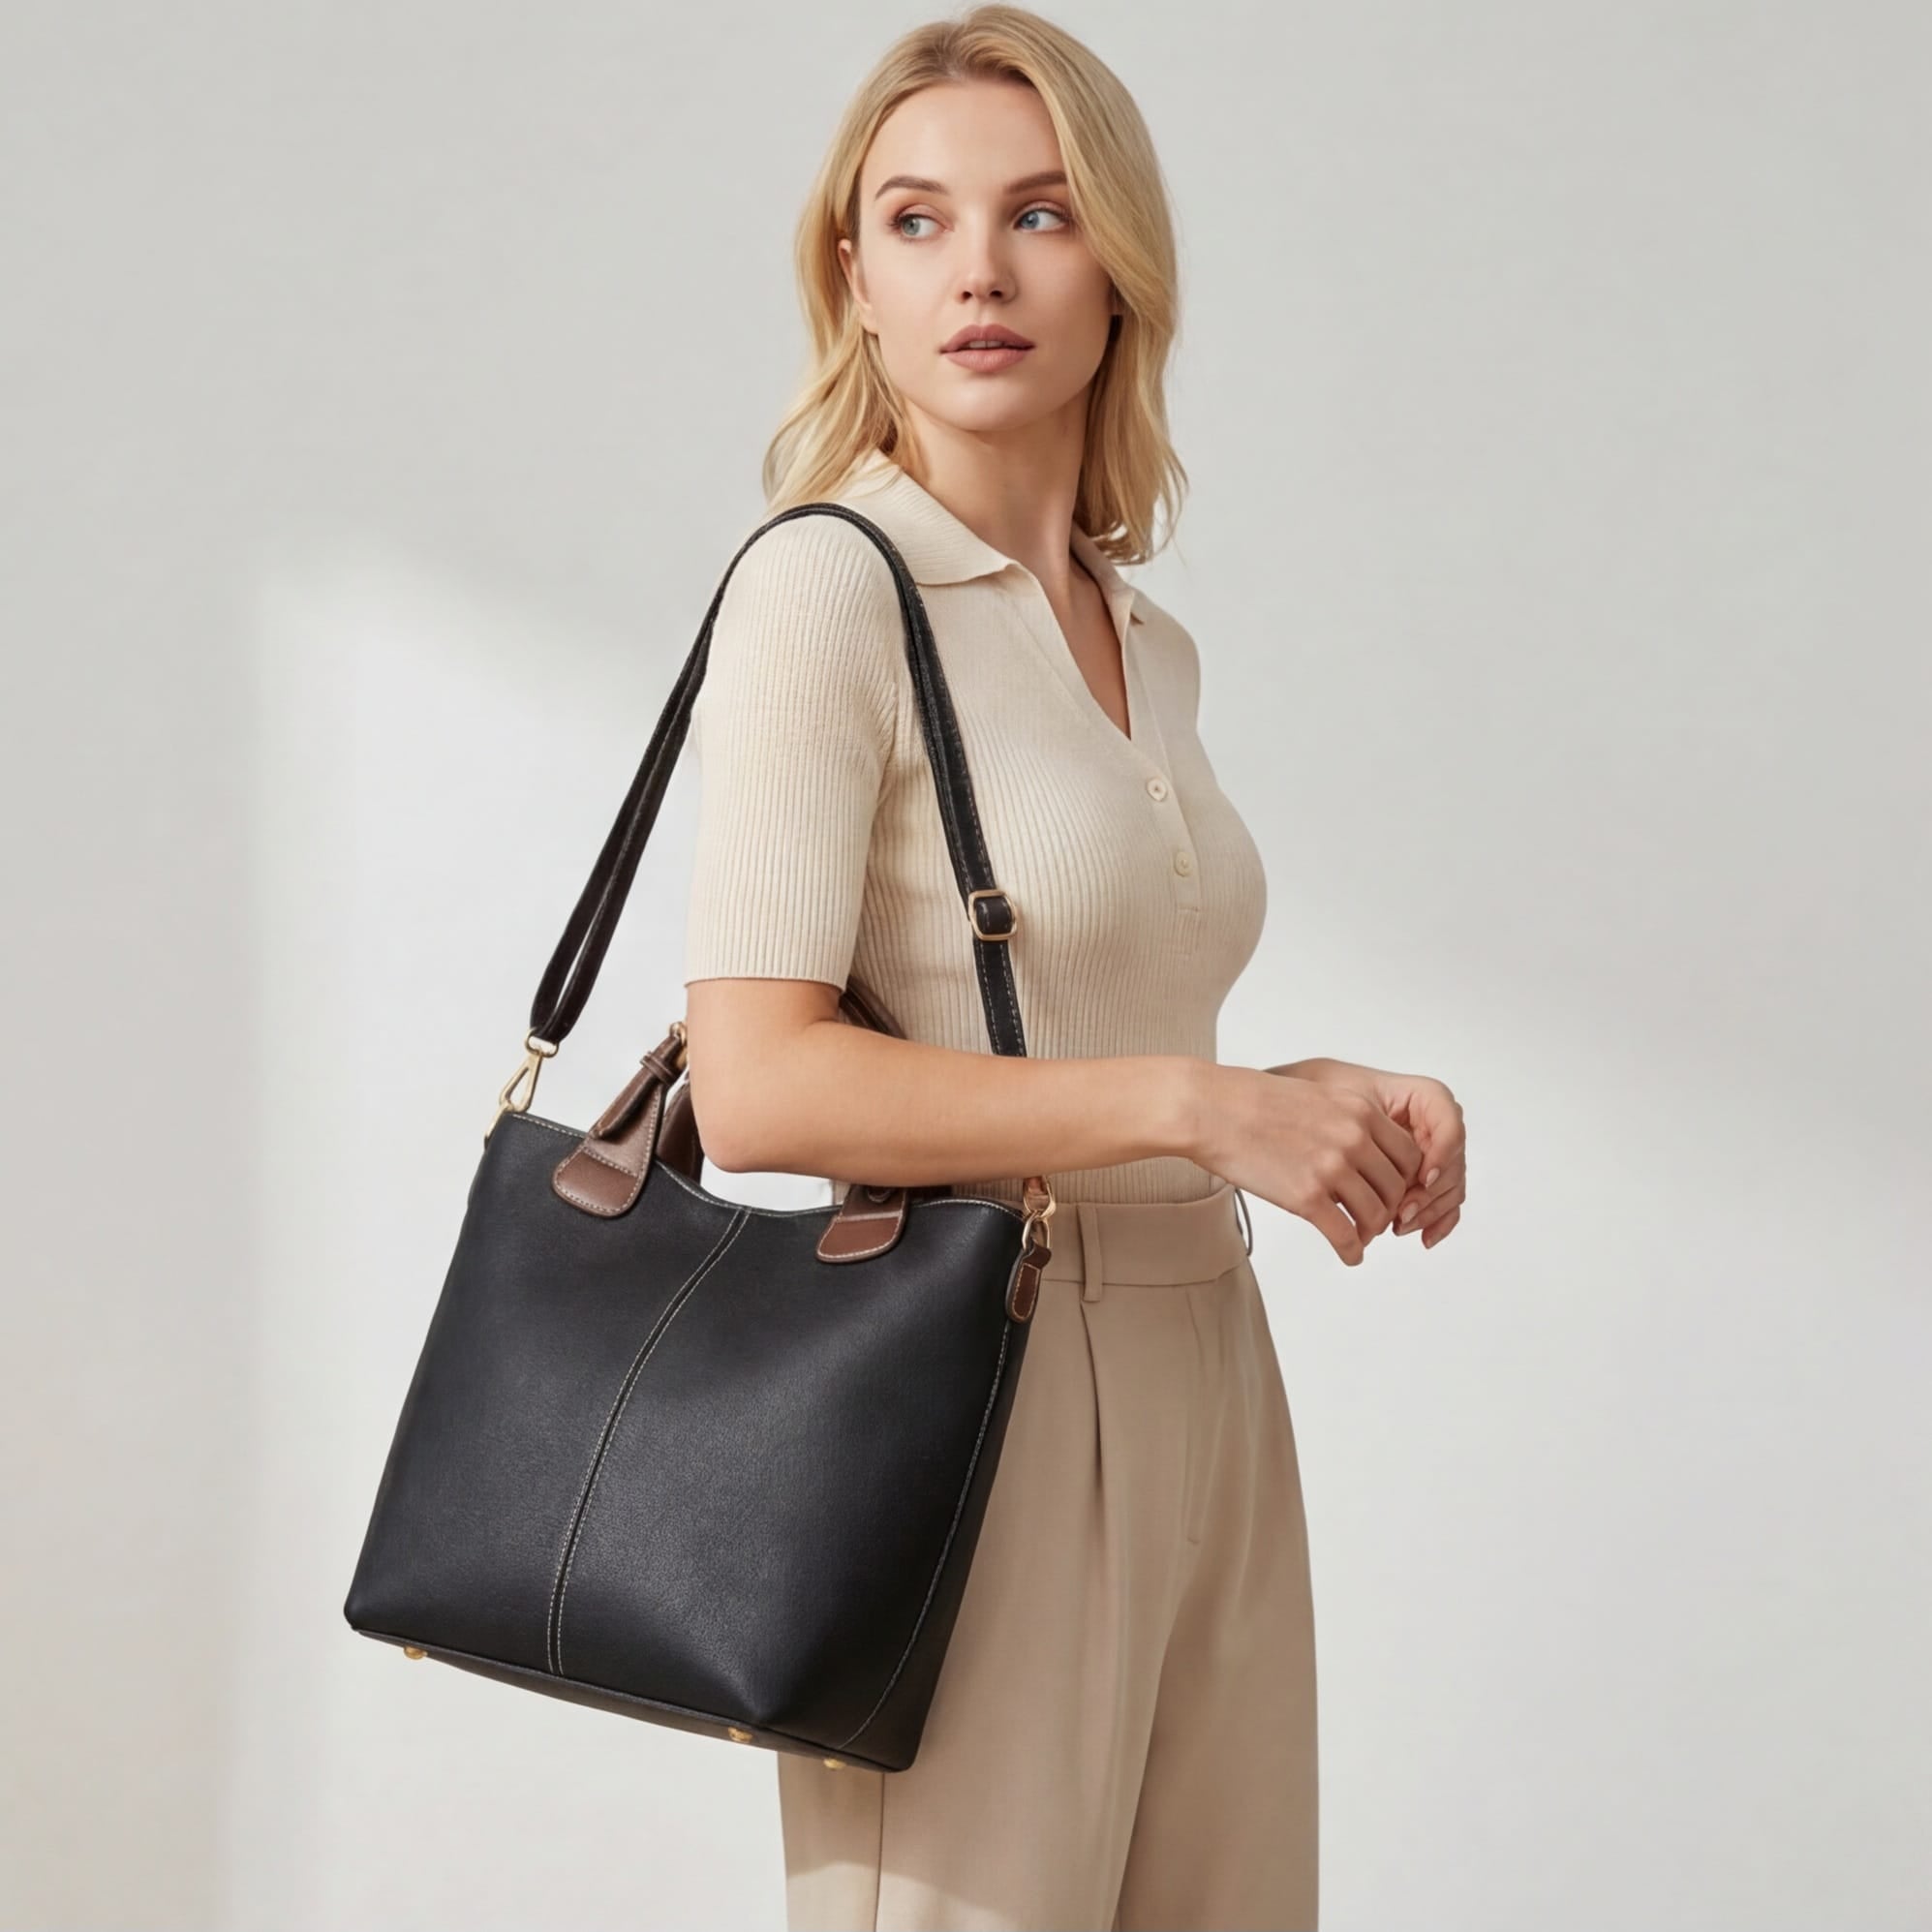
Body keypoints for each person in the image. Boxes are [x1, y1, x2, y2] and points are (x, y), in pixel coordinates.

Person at [681, 9, 1469, 1927]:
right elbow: (758, 1083)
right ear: (850, 280)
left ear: (1115, 272)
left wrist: (1303, 1095)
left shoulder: (1143, 638)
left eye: (1036, 213)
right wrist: (1195, 1108)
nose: (978, 266)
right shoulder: (823, 586)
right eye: (916, 218)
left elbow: (1075, 1005)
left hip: (1207, 1359)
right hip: (967, 1386)